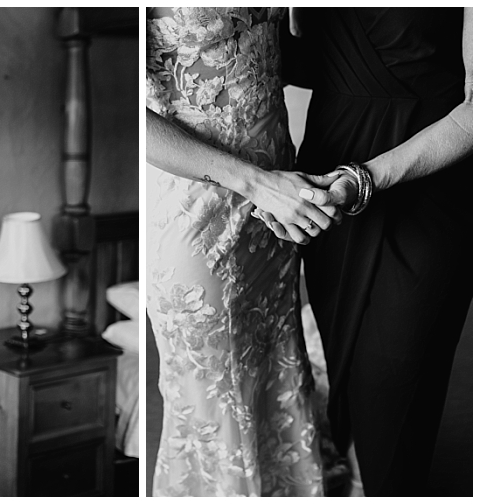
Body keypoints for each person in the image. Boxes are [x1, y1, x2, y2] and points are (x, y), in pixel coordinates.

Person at [280, 7, 473, 496]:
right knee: (345, 375)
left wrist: (365, 178)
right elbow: (313, 58)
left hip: (427, 179)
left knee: (394, 384)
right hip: (329, 170)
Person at [145, 8, 329, 496]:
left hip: (276, 211)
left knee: (277, 381)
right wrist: (256, 184)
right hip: (195, 214)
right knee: (215, 406)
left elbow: (285, 56)